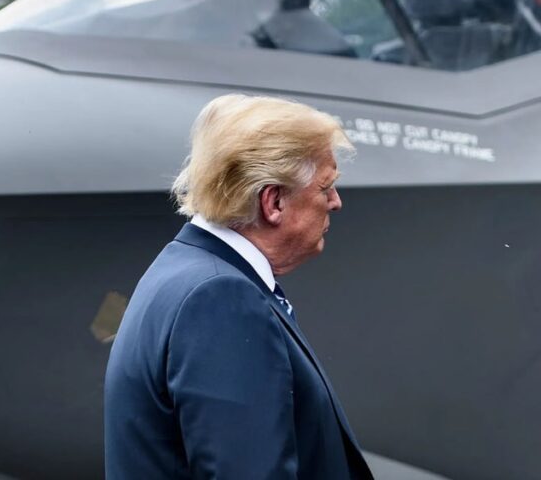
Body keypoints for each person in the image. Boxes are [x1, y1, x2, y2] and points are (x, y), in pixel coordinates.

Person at [104, 94, 373, 479]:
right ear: (273, 201)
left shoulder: (183, 271)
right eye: (325, 186)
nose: (336, 202)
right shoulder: (220, 299)